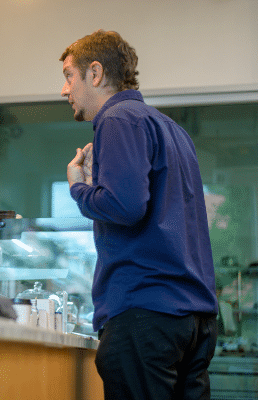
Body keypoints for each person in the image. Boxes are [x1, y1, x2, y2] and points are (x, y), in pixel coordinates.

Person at [61, 30, 218, 399]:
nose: (64, 90)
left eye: (69, 75)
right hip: (195, 322)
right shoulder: (172, 130)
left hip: (145, 316)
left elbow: (125, 207)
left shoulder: (117, 119)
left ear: (95, 73)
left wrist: (79, 188)